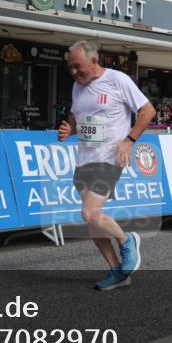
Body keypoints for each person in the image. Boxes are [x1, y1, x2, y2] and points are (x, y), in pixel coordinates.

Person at [57, 40, 156, 291]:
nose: (74, 72)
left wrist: (129, 140)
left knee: (89, 213)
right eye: (70, 68)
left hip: (109, 157)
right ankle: (116, 270)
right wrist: (70, 129)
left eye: (78, 67)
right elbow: (78, 120)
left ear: (93, 60)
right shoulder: (77, 87)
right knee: (92, 221)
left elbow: (148, 111)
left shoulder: (117, 80)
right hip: (85, 158)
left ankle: (127, 240)